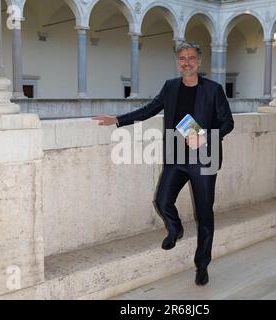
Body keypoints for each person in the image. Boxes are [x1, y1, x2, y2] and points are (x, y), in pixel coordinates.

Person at [94, 42, 234, 286]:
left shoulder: (213, 89)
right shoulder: (170, 87)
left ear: (199, 62)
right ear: (178, 62)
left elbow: (227, 123)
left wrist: (205, 135)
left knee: (204, 214)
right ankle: (175, 228)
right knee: (162, 200)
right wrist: (118, 120)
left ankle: (202, 265)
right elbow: (149, 109)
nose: (187, 62)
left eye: (191, 57)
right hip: (176, 157)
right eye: (182, 58)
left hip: (204, 158)